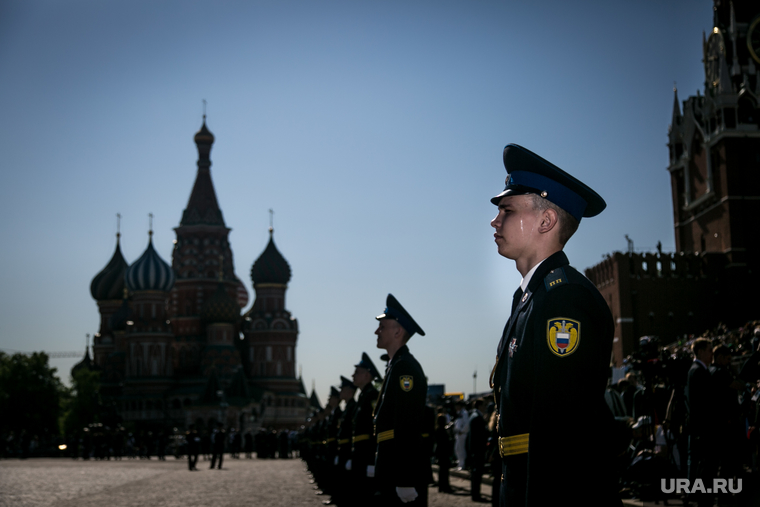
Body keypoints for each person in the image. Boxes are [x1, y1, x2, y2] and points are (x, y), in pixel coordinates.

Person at [488, 144, 621, 506]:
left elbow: (557, 436)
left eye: (506, 210)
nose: (494, 220)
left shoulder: (564, 300)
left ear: (546, 221)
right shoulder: (531, 298)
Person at [373, 294, 428, 505]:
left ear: (397, 331)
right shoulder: (396, 366)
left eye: (382, 327)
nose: (376, 331)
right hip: (391, 468)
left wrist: (405, 478)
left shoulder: (404, 368)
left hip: (400, 472)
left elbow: (407, 424)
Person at [686, 338, 716, 507]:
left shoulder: (696, 370)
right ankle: (704, 500)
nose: (712, 353)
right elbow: (705, 404)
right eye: (710, 350)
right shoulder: (698, 371)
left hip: (701, 428)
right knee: (705, 467)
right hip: (704, 429)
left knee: (702, 466)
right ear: (701, 351)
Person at [349, 352, 382, 505]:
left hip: (366, 454)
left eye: (357, 372)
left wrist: (372, 460)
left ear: (367, 376)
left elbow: (375, 428)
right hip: (359, 453)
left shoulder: (372, 396)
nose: (353, 375)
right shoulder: (363, 396)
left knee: (366, 496)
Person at [468, 399, 488, 502]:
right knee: (477, 474)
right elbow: (480, 436)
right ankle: (476, 494)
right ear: (480, 406)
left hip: (475, 449)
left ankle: (475, 493)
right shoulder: (477, 417)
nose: (485, 407)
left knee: (475, 473)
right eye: (484, 405)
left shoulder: (473, 416)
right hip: (478, 449)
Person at [453, 401, 469, 470]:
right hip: (458, 434)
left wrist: (462, 431)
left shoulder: (464, 413)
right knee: (457, 449)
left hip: (462, 434)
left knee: (461, 450)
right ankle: (459, 463)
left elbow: (466, 424)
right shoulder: (459, 413)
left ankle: (462, 465)